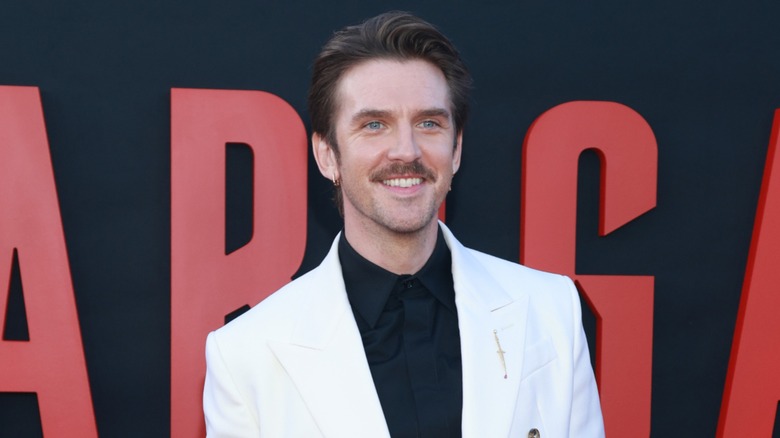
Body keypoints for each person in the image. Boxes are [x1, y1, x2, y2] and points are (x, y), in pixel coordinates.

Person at [203, 11, 604, 438]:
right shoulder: (245, 354)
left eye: (429, 123)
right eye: (374, 125)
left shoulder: (550, 309)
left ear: (456, 149)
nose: (406, 150)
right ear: (327, 155)